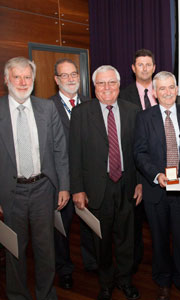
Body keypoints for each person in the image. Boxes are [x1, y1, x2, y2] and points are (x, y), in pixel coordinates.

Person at [69, 65, 142, 300]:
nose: (107, 87)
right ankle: (106, 283)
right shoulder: (81, 113)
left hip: (127, 184)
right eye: (101, 83)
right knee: (101, 239)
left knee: (126, 238)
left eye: (111, 82)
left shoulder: (133, 111)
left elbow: (139, 151)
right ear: (94, 87)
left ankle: (125, 280)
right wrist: (77, 189)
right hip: (96, 188)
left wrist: (140, 182)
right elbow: (74, 154)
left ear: (119, 85)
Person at [0, 56, 69, 300]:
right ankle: (18, 295)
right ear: (6, 79)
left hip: (43, 189)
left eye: (27, 76)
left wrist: (64, 186)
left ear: (34, 80)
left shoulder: (47, 108)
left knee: (45, 249)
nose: (22, 81)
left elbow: (60, 150)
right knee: (14, 250)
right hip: (10, 192)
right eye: (16, 76)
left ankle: (46, 294)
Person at [134, 71, 180, 300]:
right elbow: (140, 152)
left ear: (177, 89)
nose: (167, 92)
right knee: (160, 238)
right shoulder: (144, 118)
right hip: (157, 190)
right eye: (161, 88)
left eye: (171, 87)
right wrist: (156, 175)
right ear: (154, 92)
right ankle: (163, 280)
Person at [49, 58, 97, 290]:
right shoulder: (47, 108)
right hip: (61, 183)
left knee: (89, 225)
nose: (70, 79)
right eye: (64, 75)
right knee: (62, 231)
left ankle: (92, 263)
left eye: (74, 74)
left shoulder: (91, 104)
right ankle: (65, 269)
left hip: (89, 180)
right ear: (57, 80)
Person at [119, 48, 157, 274]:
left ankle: (161, 260)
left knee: (160, 223)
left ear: (154, 67)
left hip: (163, 167)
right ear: (133, 69)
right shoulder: (122, 95)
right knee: (133, 222)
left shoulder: (164, 90)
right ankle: (134, 263)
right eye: (139, 65)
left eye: (148, 64)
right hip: (135, 169)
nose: (144, 68)